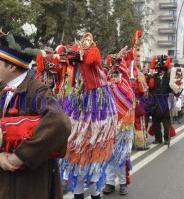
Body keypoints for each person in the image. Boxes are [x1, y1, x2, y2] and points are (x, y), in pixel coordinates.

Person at [0, 34, 71, 199]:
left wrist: (22, 156)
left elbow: (60, 123)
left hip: (30, 184)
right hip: (0, 181)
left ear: (11, 67)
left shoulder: (39, 91)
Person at [61, 32, 117, 199]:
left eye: (80, 65)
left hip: (95, 145)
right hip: (78, 146)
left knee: (94, 177)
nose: (78, 71)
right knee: (78, 175)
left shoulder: (101, 97)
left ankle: (95, 192)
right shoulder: (74, 97)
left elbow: (108, 125)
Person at [102, 51, 134, 196]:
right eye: (112, 75)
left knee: (121, 156)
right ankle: (109, 182)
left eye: (117, 75)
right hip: (109, 126)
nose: (114, 78)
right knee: (109, 156)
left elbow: (128, 102)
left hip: (123, 126)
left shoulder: (125, 86)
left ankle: (122, 183)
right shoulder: (106, 87)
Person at [147, 55, 175, 144]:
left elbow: (172, 89)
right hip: (155, 101)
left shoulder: (169, 77)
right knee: (155, 121)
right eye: (159, 69)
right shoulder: (154, 77)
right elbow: (150, 88)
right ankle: (158, 138)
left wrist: (176, 88)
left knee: (166, 121)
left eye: (162, 70)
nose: (161, 71)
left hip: (164, 100)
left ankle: (167, 138)